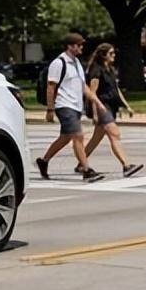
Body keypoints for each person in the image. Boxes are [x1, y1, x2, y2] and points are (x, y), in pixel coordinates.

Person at [35, 33, 107, 182]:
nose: (81, 47)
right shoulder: (59, 63)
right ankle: (86, 169)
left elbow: (83, 86)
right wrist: (50, 109)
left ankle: (44, 160)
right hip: (64, 105)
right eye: (79, 45)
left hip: (76, 106)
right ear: (70, 46)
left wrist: (97, 102)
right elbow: (51, 87)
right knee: (78, 136)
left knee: (66, 137)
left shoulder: (76, 63)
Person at [83, 43, 143, 177]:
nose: (114, 55)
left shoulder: (110, 69)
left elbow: (116, 90)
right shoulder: (96, 70)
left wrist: (127, 106)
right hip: (102, 106)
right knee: (114, 134)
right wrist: (95, 113)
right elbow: (92, 93)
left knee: (96, 138)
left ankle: (81, 162)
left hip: (111, 107)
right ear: (103, 55)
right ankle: (126, 166)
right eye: (111, 53)